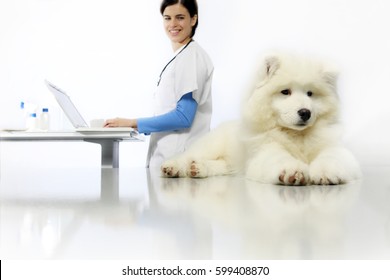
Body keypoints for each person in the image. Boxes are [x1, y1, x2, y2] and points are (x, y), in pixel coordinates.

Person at [104, 0, 214, 168]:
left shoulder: (190, 57)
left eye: (180, 17)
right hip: (171, 160)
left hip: (179, 161)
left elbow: (184, 117)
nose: (173, 24)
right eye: (167, 18)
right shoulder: (181, 56)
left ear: (193, 19)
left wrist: (132, 123)